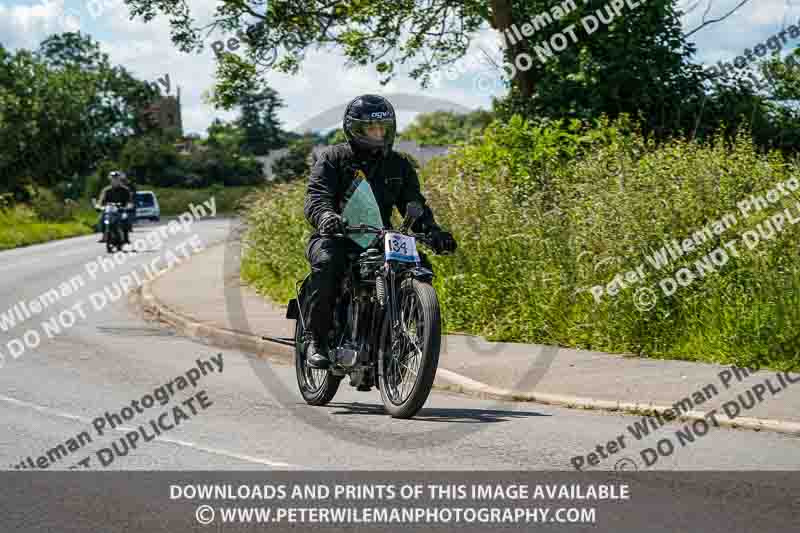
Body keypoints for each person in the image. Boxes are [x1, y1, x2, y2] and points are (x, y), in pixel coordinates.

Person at [302, 94, 457, 370]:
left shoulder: (399, 165)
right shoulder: (333, 158)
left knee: (419, 264)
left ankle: (408, 336)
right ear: (355, 129)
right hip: (336, 236)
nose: (378, 134)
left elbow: (414, 204)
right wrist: (326, 216)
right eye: (371, 129)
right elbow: (317, 197)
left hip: (378, 237)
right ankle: (317, 339)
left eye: (383, 128)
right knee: (328, 264)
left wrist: (433, 232)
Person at [96, 171, 133, 244]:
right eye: (113, 179)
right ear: (110, 180)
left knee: (125, 218)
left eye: (116, 179)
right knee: (101, 218)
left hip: (121, 210)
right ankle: (104, 235)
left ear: (119, 180)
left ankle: (126, 237)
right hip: (109, 211)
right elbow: (101, 201)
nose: (115, 181)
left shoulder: (125, 190)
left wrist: (128, 207)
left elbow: (129, 202)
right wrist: (98, 206)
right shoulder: (106, 190)